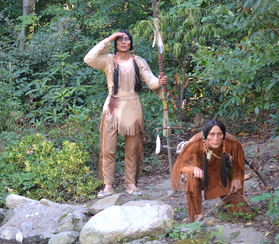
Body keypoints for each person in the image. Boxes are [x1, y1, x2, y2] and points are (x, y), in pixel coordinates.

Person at [84, 30, 168, 198]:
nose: (123, 42)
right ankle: (107, 185)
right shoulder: (108, 60)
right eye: (119, 39)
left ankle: (131, 183)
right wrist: (109, 38)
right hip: (113, 107)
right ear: (115, 43)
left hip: (132, 106)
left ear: (131, 42)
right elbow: (89, 58)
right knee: (108, 148)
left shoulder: (138, 61)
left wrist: (159, 82)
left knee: (132, 148)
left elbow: (151, 81)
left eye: (127, 39)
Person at [171, 119, 251, 223]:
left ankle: (226, 200)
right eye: (211, 134)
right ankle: (199, 216)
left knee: (244, 213)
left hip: (220, 176)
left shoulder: (231, 141)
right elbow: (180, 165)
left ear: (224, 134)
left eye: (219, 134)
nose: (216, 138)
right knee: (191, 177)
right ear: (205, 135)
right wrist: (193, 168)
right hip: (199, 176)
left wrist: (236, 178)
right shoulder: (195, 142)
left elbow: (238, 160)